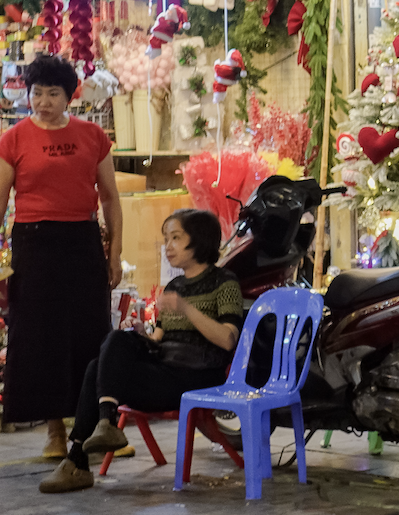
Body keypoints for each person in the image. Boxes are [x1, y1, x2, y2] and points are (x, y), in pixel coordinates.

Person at [0, 53, 121, 461]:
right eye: (36, 93)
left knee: (91, 332)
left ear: (69, 95)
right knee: (40, 337)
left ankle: (94, 428)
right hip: (34, 244)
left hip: (83, 240)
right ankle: (54, 431)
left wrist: (115, 252)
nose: (42, 102)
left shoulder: (93, 136)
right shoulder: (14, 139)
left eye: (52, 93)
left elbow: (109, 197)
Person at [39, 209, 247, 493]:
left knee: (97, 366)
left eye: (176, 238)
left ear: (198, 240)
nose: (168, 246)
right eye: (166, 238)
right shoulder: (175, 285)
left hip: (197, 375)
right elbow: (158, 338)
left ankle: (81, 457)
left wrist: (185, 308)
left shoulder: (225, 283)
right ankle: (102, 428)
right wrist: (140, 334)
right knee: (112, 346)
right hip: (164, 368)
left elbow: (227, 339)